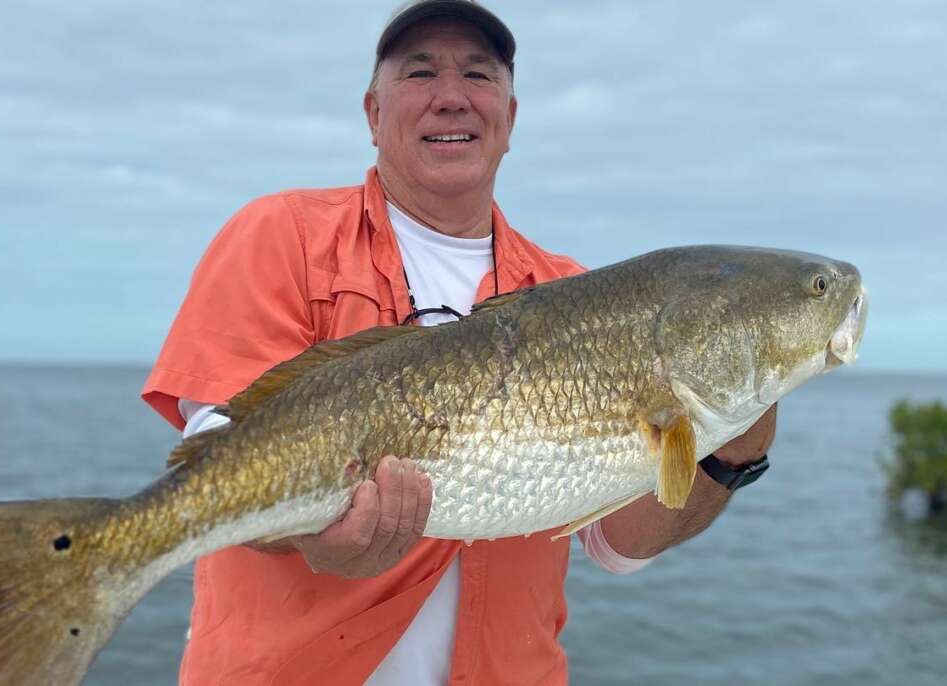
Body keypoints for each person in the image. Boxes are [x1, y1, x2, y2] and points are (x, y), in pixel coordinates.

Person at [142, 2, 777, 684]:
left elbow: (620, 547)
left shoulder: (578, 297)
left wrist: (731, 452)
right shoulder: (280, 235)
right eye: (420, 74)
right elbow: (219, 465)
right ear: (372, 113)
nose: (451, 98)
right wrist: (312, 532)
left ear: (509, 116)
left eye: (478, 74)